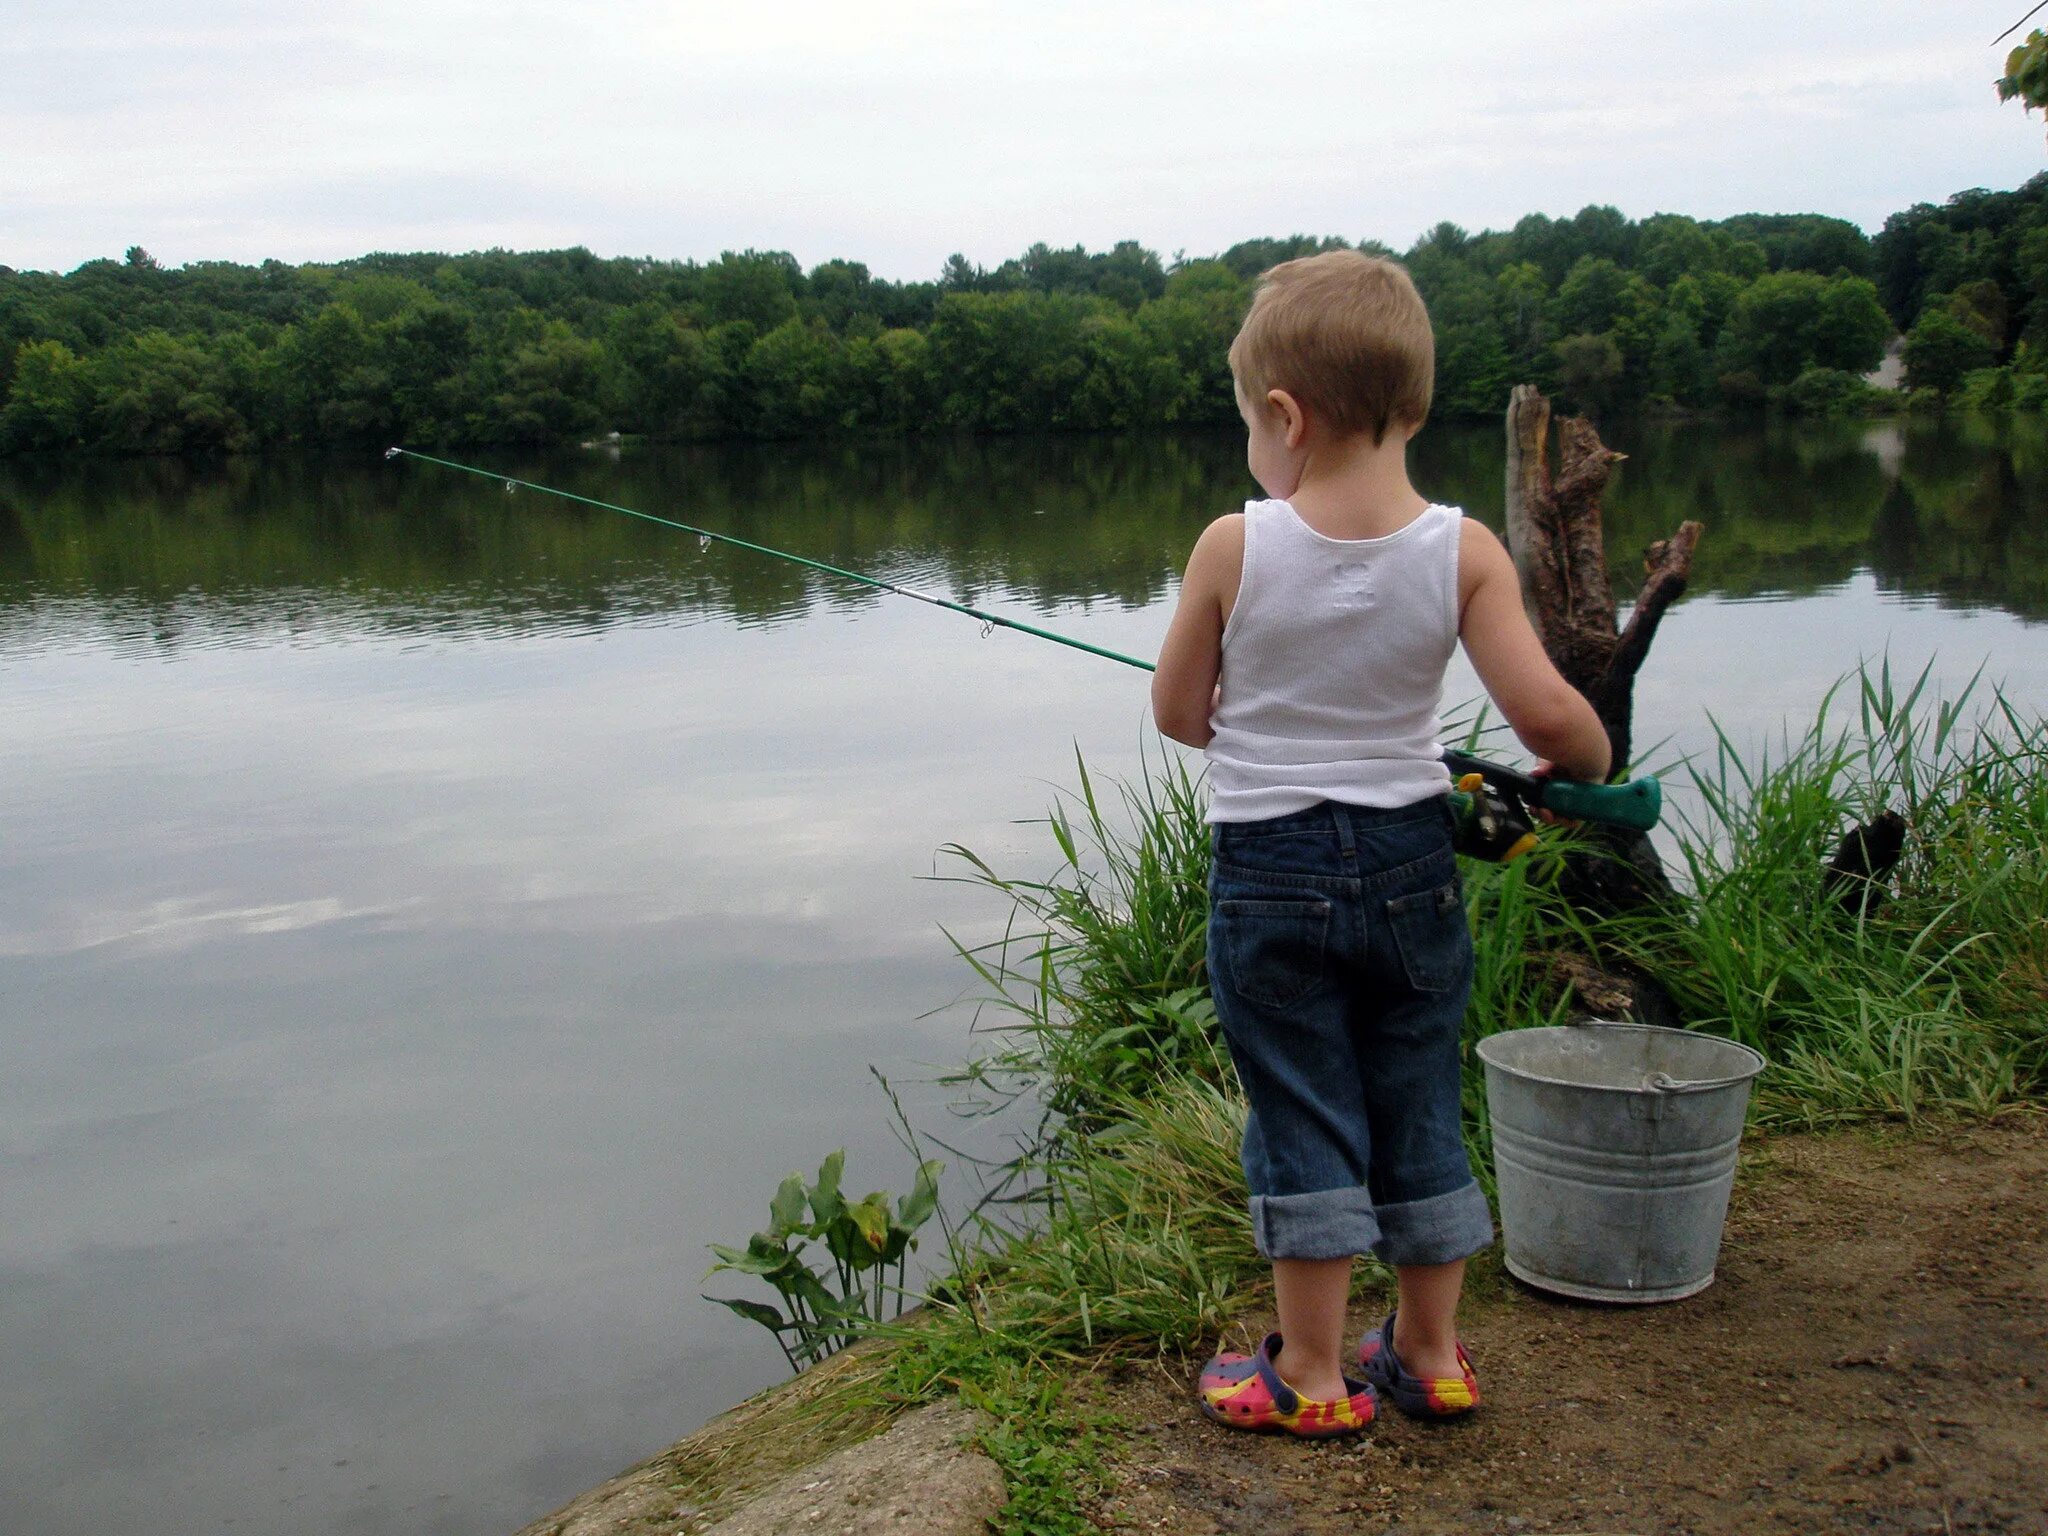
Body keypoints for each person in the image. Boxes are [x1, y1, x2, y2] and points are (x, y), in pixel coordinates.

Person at [1151, 251, 1612, 1437]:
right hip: (1411, 867)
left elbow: (1177, 714)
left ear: (1283, 417)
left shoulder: (1230, 547)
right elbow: (1546, 719)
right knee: (1413, 1097)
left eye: (1249, 423)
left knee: (1300, 1109)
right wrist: (1590, 762)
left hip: (1269, 875)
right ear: (1410, 405)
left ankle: (1308, 1377)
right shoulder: (1461, 552)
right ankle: (1430, 1354)